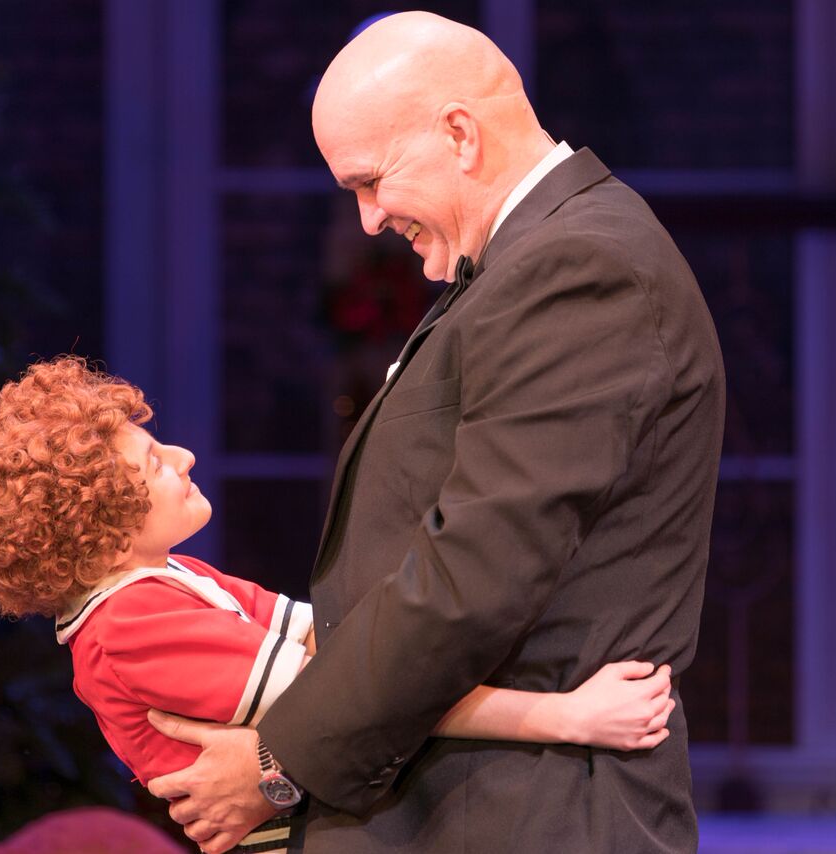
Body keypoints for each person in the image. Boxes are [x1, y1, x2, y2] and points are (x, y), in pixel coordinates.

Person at [144, 11, 725, 854]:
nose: (370, 219)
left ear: (460, 134)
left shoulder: (579, 270)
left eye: (371, 181)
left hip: (527, 817)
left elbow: (472, 576)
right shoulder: (526, 265)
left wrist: (278, 764)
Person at [0, 356, 679, 854]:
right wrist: (564, 715)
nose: (182, 457)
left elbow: (345, 644)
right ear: (95, 530)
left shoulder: (171, 582)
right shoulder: (131, 628)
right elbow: (364, 700)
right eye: (152, 464)